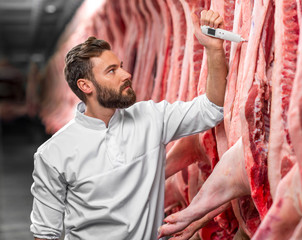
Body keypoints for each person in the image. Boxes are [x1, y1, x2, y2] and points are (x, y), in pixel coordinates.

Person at [30, 9, 227, 240]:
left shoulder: (151, 117)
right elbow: (45, 233)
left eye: (121, 66)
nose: (127, 74)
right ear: (86, 86)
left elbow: (212, 108)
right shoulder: (53, 153)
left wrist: (214, 49)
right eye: (112, 71)